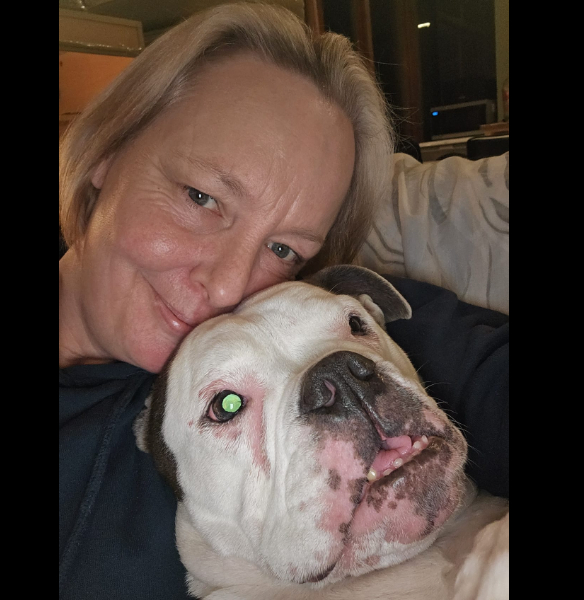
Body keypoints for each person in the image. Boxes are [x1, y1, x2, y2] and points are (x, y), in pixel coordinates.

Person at [59, 3, 507, 599]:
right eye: (201, 197)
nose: (227, 287)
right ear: (107, 151)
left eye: (283, 247)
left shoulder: (321, 306)